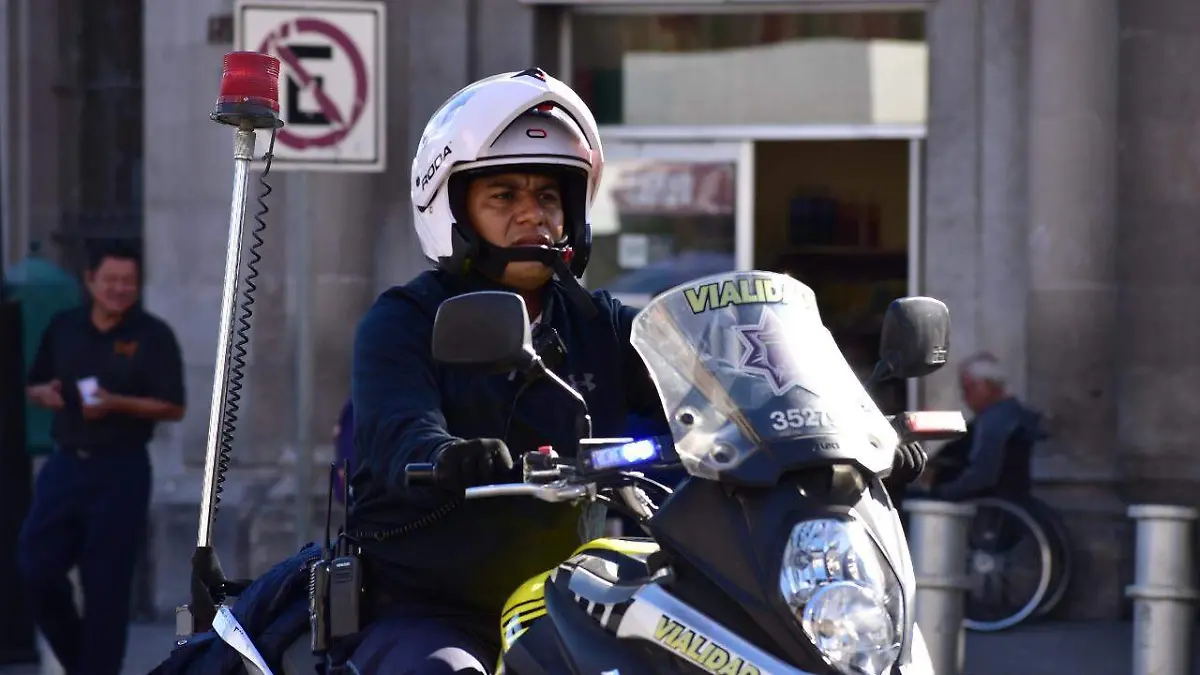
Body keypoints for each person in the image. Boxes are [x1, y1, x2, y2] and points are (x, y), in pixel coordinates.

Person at [345, 68, 926, 674]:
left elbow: (732, 394)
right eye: (503, 196)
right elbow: (396, 430)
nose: (531, 214)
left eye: (547, 195)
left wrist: (848, 438)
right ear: (452, 207)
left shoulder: (603, 325)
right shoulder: (406, 321)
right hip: (432, 604)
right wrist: (445, 455)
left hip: (571, 591)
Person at [20, 243, 186, 675]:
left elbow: (172, 405)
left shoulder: (153, 335)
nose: (119, 290)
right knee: (35, 567)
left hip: (122, 468)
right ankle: (82, 665)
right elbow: (34, 384)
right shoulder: (64, 327)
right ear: (91, 280)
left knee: (106, 588)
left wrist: (117, 403)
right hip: (67, 463)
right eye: (110, 281)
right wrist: (45, 395)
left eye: (128, 282)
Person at [928, 352, 1045, 501]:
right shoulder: (1011, 413)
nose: (965, 398)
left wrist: (941, 494)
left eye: (968, 389)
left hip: (993, 505)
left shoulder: (995, 420)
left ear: (986, 385)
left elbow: (982, 476)